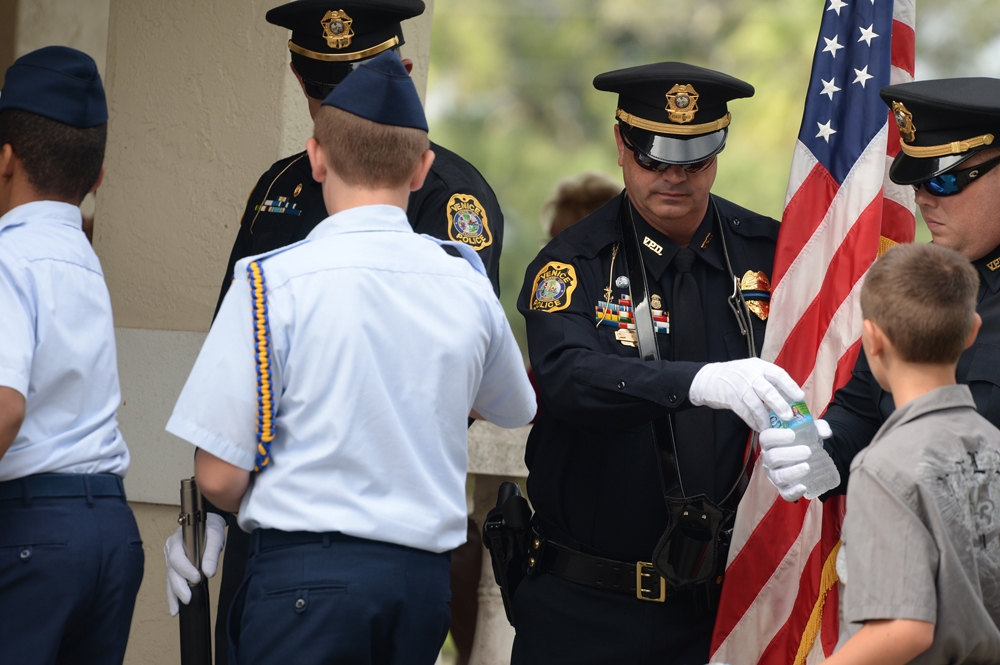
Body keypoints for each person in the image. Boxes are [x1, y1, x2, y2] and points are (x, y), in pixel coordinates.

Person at [162, 2, 507, 661]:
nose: (337, 108)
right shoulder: (281, 186)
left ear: (402, 72)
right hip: (264, 528)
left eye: (352, 86)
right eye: (323, 90)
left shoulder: (451, 198)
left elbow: (458, 380)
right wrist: (209, 512)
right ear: (299, 83)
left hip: (372, 525)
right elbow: (228, 360)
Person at [511, 62, 804, 664]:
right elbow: (568, 377)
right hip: (590, 607)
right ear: (621, 145)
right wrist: (696, 382)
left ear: (719, 150)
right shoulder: (576, 264)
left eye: (694, 161)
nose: (674, 177)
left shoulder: (770, 254)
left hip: (727, 608)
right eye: (654, 158)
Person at [760, 78, 1000, 502]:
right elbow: (864, 409)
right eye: (917, 181)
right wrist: (821, 449)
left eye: (943, 181)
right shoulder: (919, 280)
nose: (923, 199)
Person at [0, 46, 144, 664]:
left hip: (32, 529)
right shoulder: (83, 259)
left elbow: (5, 406)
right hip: (109, 530)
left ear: (4, 159)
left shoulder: (10, 259)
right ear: (99, 176)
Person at [823, 242, 1000, 665]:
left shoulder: (883, 467)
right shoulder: (995, 444)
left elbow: (904, 630)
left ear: (873, 339)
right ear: (972, 330)